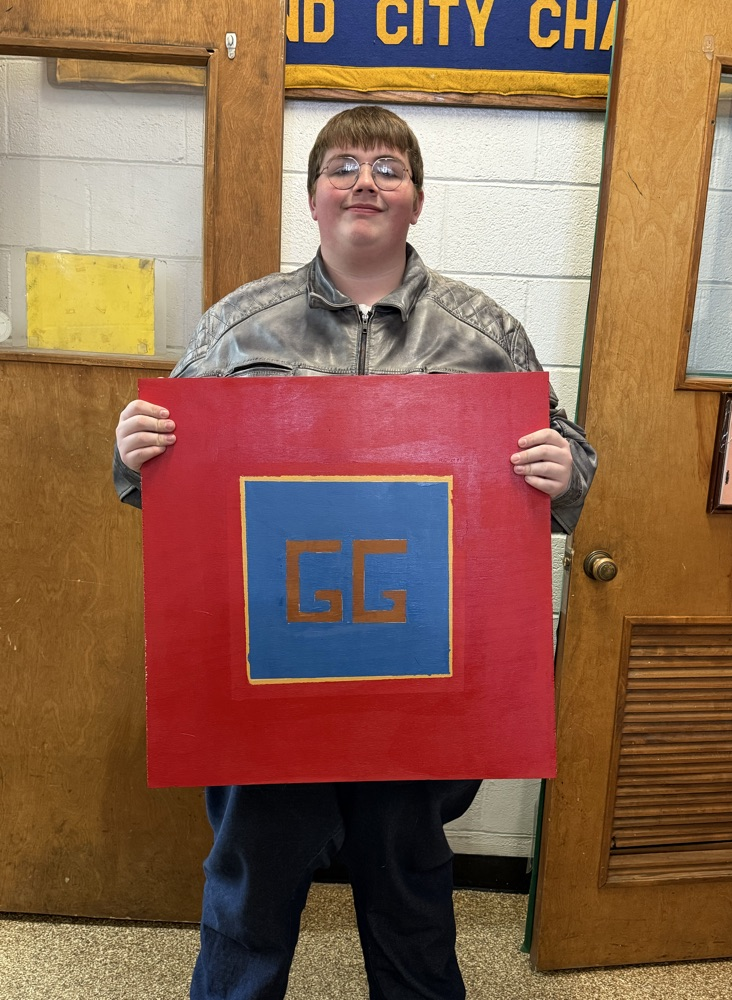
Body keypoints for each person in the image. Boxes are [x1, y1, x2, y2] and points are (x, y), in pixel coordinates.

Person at [114, 106, 596, 1000]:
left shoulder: (485, 335)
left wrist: (566, 469)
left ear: (417, 200)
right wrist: (131, 450)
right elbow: (159, 490)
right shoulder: (237, 329)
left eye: (386, 167)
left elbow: (569, 480)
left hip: (420, 675)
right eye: (342, 166)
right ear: (312, 198)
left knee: (408, 887)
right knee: (249, 893)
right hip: (268, 670)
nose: (364, 181)